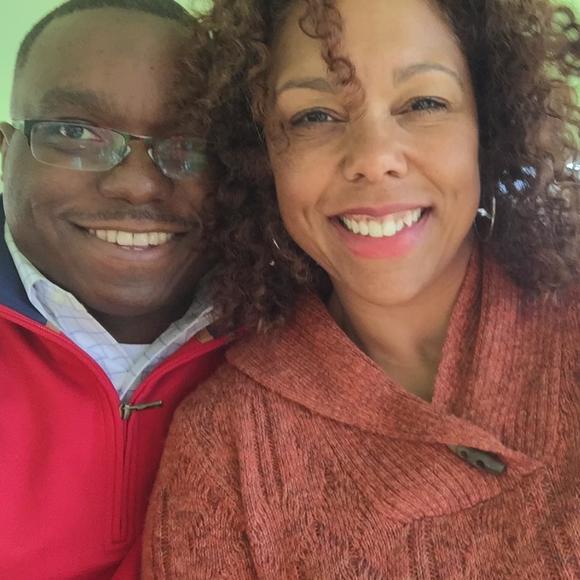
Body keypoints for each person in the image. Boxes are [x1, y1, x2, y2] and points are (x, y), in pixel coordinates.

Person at [144, 0, 580, 577]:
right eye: (314, 116)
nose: (374, 158)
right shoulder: (223, 446)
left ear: (488, 125)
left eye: (424, 103)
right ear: (259, 156)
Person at [0, 0, 229, 578]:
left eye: (191, 142)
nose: (137, 184)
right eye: (76, 132)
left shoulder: (293, 335)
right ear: (4, 152)